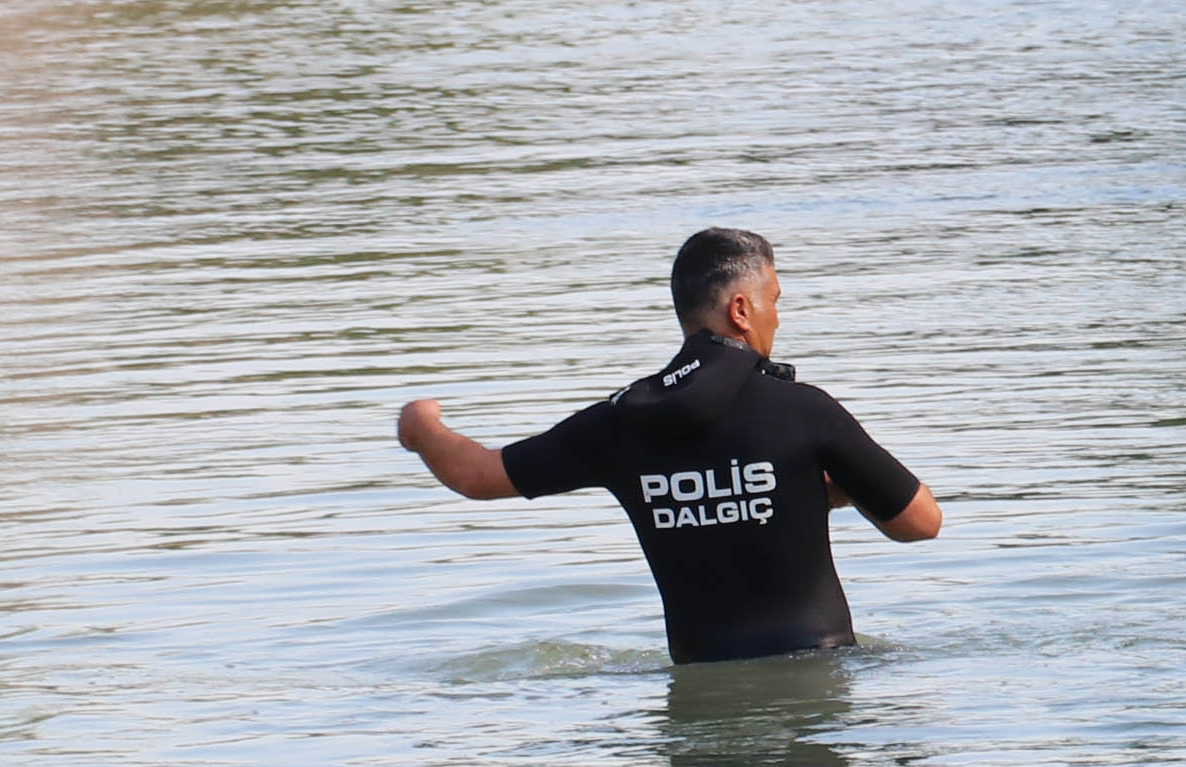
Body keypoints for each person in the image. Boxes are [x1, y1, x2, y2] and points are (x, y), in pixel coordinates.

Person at [397, 227, 942, 663]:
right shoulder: (804, 410)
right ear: (740, 309)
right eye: (774, 299)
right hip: (814, 683)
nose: (778, 315)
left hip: (699, 694)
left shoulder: (620, 423)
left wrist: (422, 425)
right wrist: (834, 491)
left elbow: (476, 476)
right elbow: (921, 523)